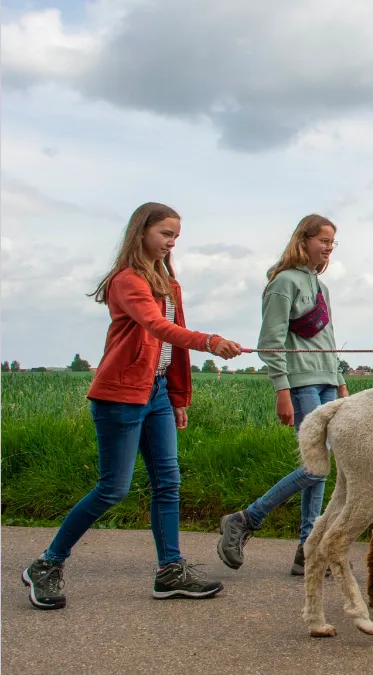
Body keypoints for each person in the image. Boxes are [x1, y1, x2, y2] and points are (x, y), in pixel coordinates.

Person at [21, 202, 243, 610]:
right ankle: (47, 563)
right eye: (165, 234)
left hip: (157, 394)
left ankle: (170, 570)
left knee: (168, 483)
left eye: (176, 236)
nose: (171, 242)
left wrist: (177, 397)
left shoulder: (168, 283)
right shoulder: (127, 280)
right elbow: (157, 327)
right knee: (113, 489)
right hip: (119, 395)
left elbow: (171, 347)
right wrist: (210, 341)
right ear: (141, 232)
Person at [216, 215, 349, 576]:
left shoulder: (321, 288)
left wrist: (340, 382)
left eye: (332, 243)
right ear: (303, 241)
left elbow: (327, 340)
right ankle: (247, 518)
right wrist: (282, 390)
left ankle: (308, 548)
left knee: (319, 470)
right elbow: (270, 343)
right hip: (302, 383)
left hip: (326, 381)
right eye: (323, 240)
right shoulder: (283, 283)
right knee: (316, 466)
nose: (328, 248)